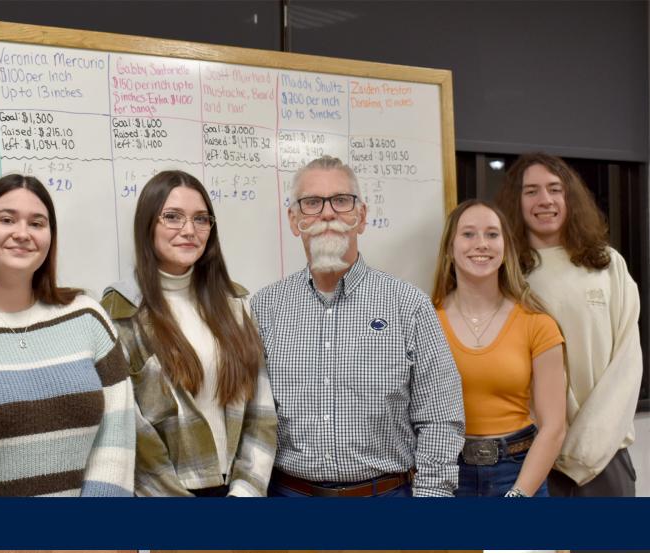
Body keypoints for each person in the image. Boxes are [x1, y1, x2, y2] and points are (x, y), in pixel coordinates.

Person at [251, 156, 464, 497]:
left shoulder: (409, 306)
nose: (327, 213)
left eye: (341, 200)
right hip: (287, 498)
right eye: (311, 203)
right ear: (294, 220)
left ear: (361, 216)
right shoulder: (265, 308)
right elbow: (250, 420)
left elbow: (440, 419)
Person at [0, 174, 135, 496]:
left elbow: (119, 430)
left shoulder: (87, 315)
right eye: (6, 220)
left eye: (37, 223)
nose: (22, 234)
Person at [102, 170, 276, 496]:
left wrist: (246, 493)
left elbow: (261, 414)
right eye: (172, 217)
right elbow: (126, 429)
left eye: (201, 219)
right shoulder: (120, 313)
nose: (189, 230)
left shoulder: (235, 304)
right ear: (147, 225)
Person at [496, 153, 642, 497]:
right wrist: (551, 442)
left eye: (554, 189)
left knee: (612, 552)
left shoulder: (608, 265)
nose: (544, 200)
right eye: (530, 191)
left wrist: (586, 446)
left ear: (569, 198)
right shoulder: (506, 273)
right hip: (533, 458)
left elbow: (627, 364)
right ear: (515, 202)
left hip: (605, 456)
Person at [430, 200, 566, 496]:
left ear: (506, 249)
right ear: (449, 249)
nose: (481, 244)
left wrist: (519, 496)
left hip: (518, 473)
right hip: (446, 475)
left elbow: (554, 427)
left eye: (492, 235)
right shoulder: (425, 323)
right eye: (468, 234)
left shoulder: (538, 324)